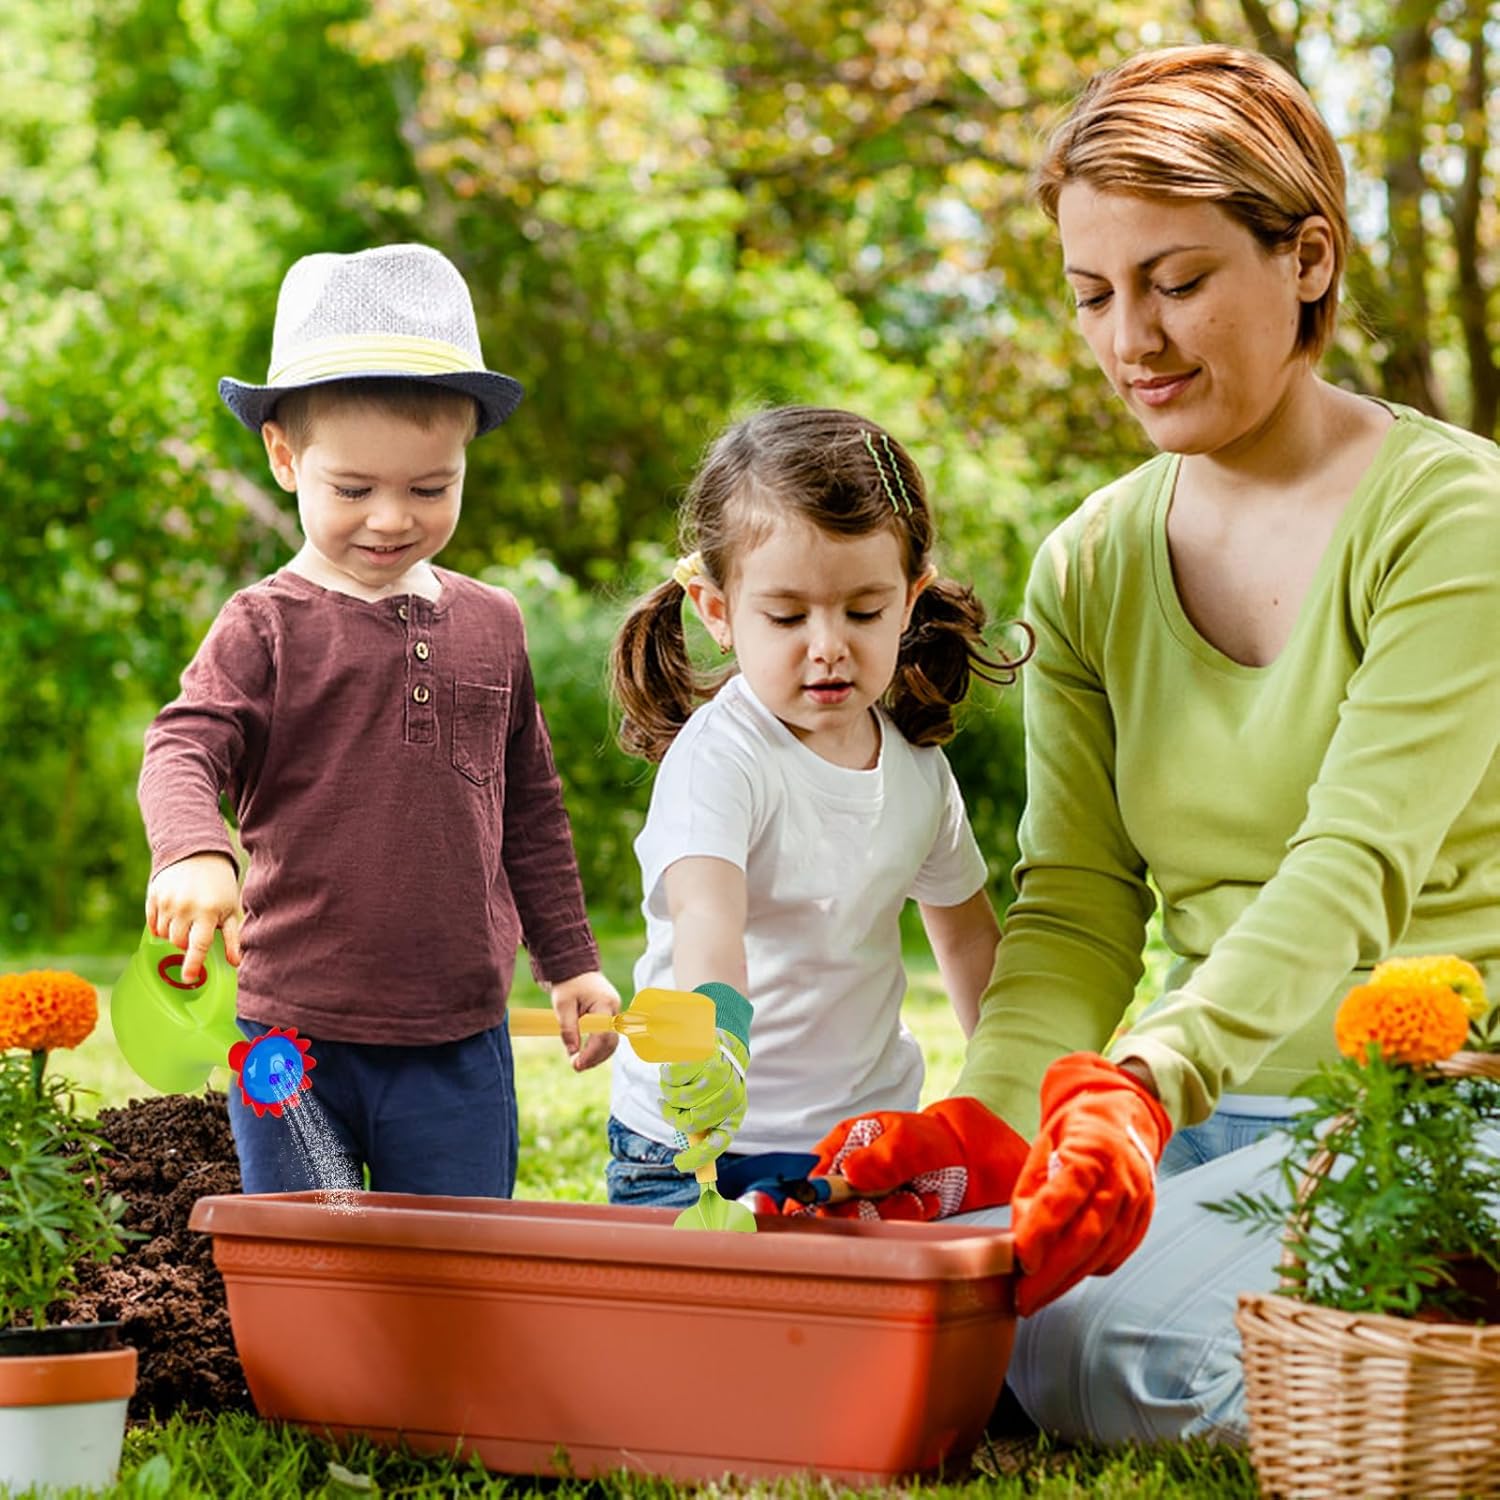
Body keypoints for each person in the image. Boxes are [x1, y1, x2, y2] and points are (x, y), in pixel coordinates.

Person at [726, 47, 1500, 1442]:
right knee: (918, 1300)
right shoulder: (1091, 564)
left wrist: (1140, 1087)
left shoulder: (1452, 524)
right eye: (1093, 293)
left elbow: (1354, 869)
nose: (1129, 337)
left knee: (1102, 1347)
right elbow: (1080, 905)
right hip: (1211, 1120)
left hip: (1442, 1113)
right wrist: (992, 1121)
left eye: (1178, 281)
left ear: (1309, 257)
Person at [138, 243, 621, 1198]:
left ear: (464, 458)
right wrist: (193, 851)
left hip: (459, 1038)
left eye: (430, 488)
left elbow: (530, 807)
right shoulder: (264, 625)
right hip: (292, 1036)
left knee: (455, 1262)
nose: (391, 519)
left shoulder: (493, 623)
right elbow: (183, 743)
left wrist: (571, 962)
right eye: (353, 489)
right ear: (284, 456)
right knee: (311, 1256)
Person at [603, 405, 1031, 1205]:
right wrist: (715, 1043)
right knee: (703, 1328)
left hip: (856, 1144)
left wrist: (1021, 1090)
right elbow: (707, 920)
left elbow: (970, 940)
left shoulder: (918, 771)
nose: (828, 644)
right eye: (788, 615)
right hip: (693, 1147)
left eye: (863, 612)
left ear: (910, 602)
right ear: (719, 612)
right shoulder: (721, 758)